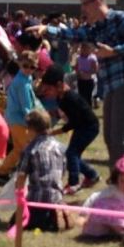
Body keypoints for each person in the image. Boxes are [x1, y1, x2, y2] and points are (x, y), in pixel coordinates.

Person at [30, 0, 124, 168]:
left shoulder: (120, 19)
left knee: (118, 137)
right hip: (112, 86)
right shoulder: (94, 28)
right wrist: (46, 29)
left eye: (85, 4)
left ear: (98, 2)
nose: (82, 10)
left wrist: (115, 51)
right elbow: (73, 35)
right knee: (110, 137)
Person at [42, 65, 101, 194]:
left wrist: (54, 132)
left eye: (48, 89)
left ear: (59, 85)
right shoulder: (60, 98)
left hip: (89, 127)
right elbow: (68, 116)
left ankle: (73, 183)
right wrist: (53, 114)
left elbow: (73, 122)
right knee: (73, 154)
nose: (46, 92)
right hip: (81, 126)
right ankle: (92, 175)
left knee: (71, 153)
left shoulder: (71, 98)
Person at [12, 109, 67, 232]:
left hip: (37, 203)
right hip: (56, 201)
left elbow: (21, 177)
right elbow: (62, 172)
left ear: (32, 129)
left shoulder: (30, 150)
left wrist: (19, 195)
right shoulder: (60, 147)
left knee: (14, 222)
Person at [0, 50, 42, 181]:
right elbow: (25, 105)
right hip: (19, 120)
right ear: (19, 64)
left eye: (32, 67)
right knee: (27, 148)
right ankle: (27, 174)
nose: (28, 69)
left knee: (18, 149)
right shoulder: (22, 82)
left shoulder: (26, 79)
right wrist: (34, 121)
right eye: (25, 65)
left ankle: (2, 172)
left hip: (16, 119)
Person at [76, 42, 98, 107]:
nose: (84, 50)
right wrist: (78, 73)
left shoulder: (92, 58)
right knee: (81, 97)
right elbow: (76, 67)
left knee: (88, 97)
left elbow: (95, 69)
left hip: (89, 80)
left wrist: (87, 73)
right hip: (81, 80)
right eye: (83, 48)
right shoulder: (78, 58)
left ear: (89, 49)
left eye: (86, 49)